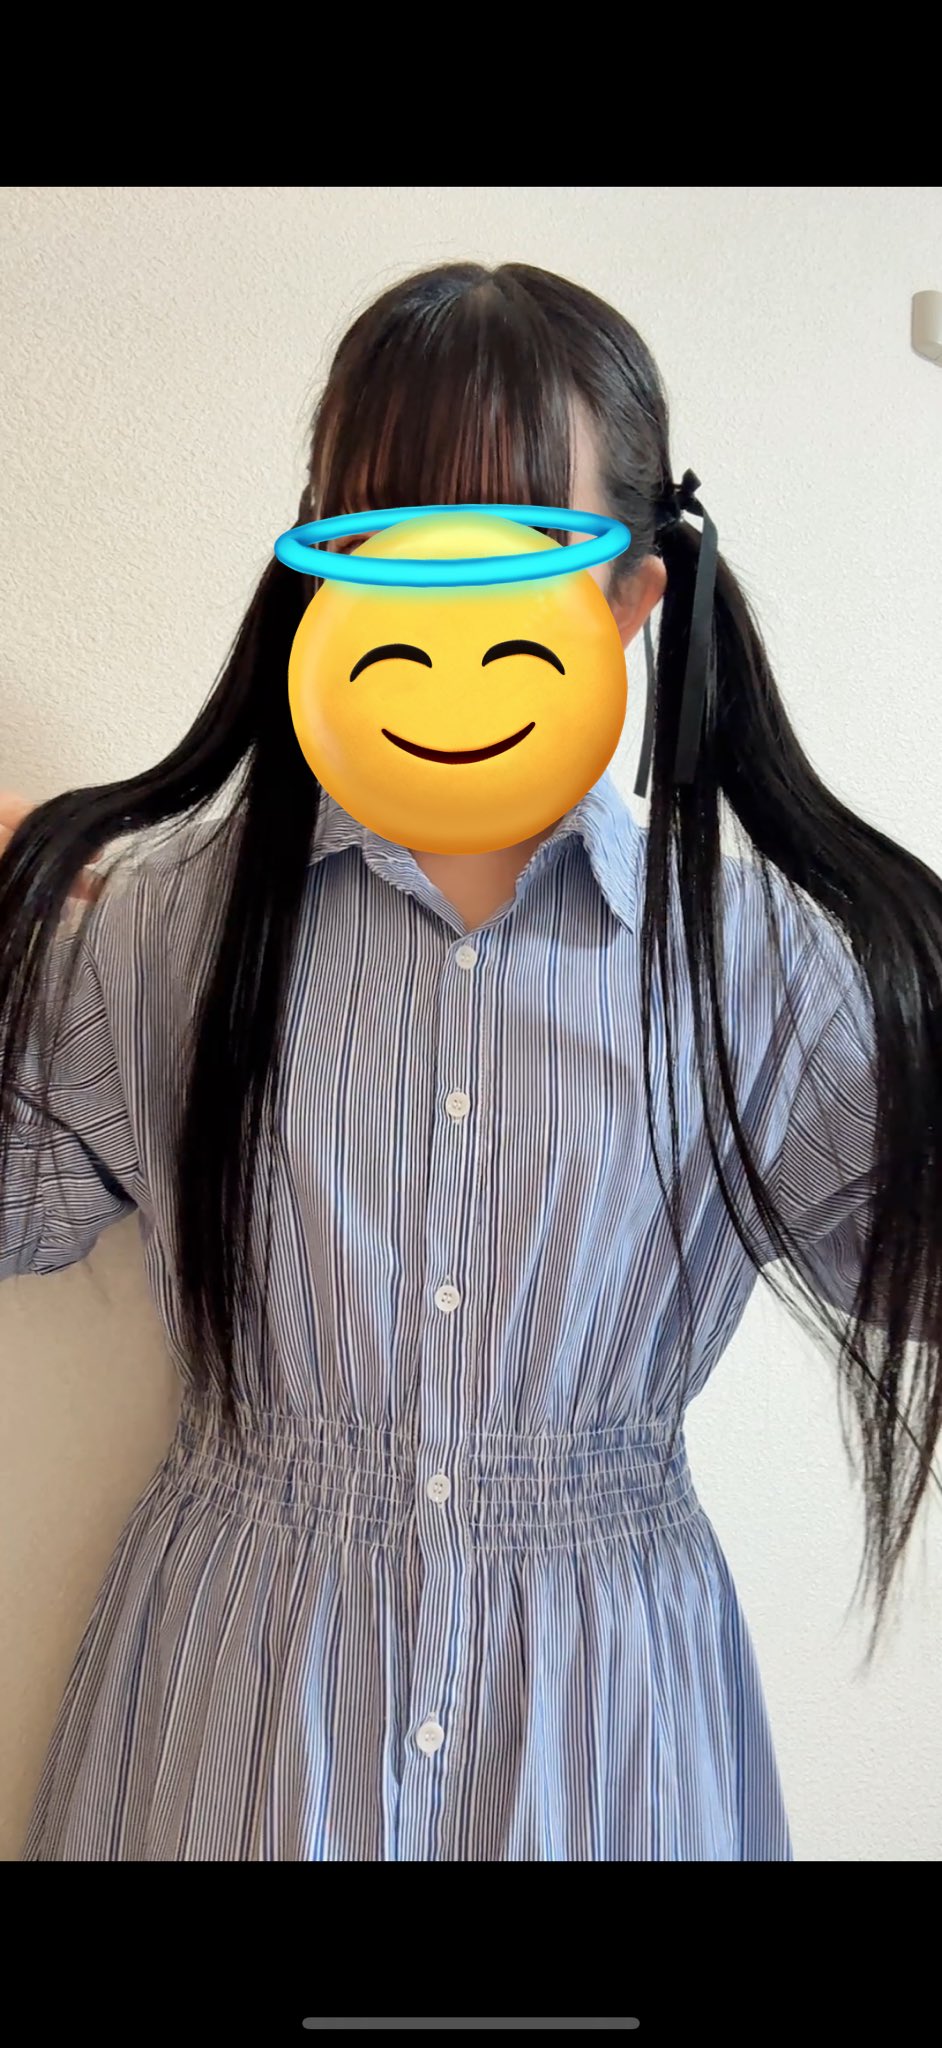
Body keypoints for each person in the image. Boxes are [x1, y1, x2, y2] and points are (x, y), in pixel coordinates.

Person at [1, 259, 939, 1863]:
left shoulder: (759, 966)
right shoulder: (169, 928)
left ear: (633, 591)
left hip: (606, 1718)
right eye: (382, 543)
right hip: (239, 1708)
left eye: (506, 549)